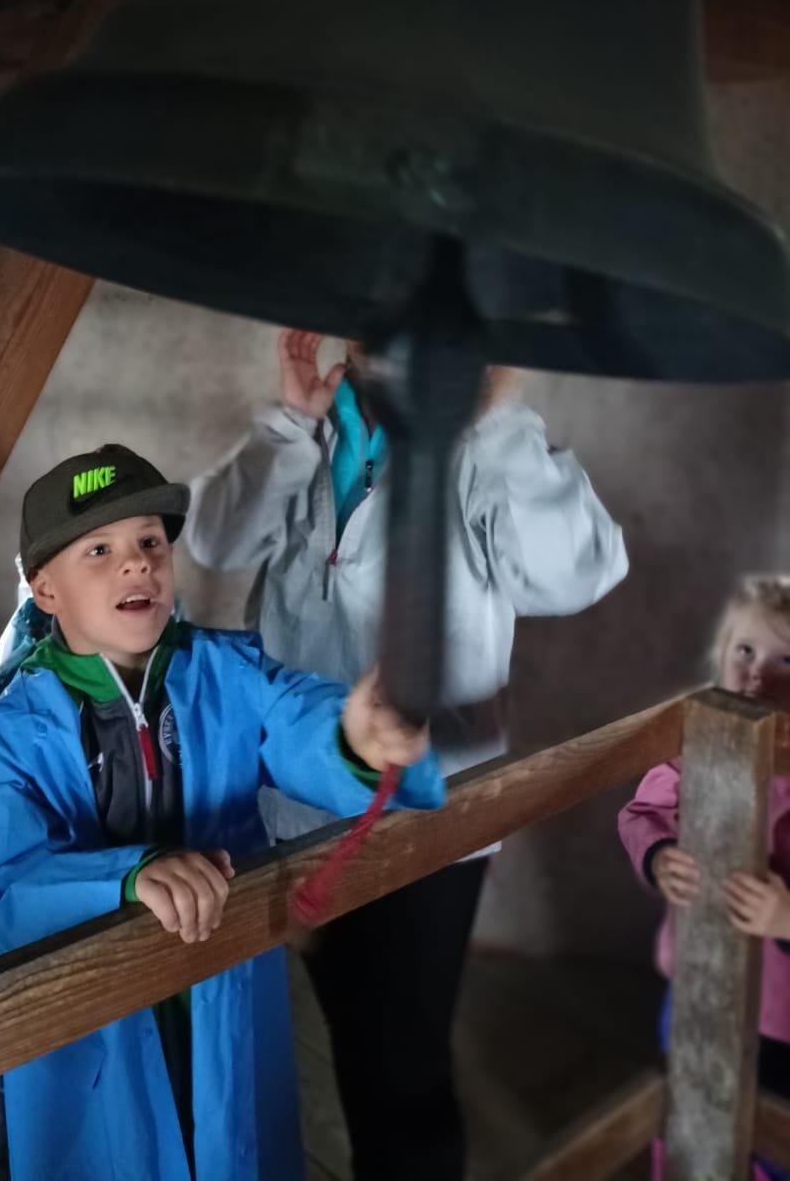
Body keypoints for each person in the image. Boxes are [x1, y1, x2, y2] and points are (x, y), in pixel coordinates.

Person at [185, 329, 628, 1179]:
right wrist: (289, 424)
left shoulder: (479, 444)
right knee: (332, 1026)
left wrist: (499, 422)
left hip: (433, 810)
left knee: (401, 1062)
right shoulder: (312, 435)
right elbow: (215, 538)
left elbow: (576, 571)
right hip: (299, 798)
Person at [0, 443, 445, 1181]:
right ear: (44, 591)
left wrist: (356, 739)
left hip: (220, 993)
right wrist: (128, 878)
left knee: (230, 1136)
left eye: (151, 542)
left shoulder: (224, 672)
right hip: (96, 1026)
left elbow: (292, 719)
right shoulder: (18, 727)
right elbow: (2, 889)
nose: (137, 564)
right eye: (99, 550)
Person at [620, 575, 790, 1181]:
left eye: (785, 659)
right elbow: (644, 812)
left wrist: (786, 916)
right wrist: (660, 854)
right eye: (744, 649)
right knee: (691, 1107)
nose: (756, 672)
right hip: (699, 975)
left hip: (783, 1015)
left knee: (769, 1134)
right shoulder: (698, 737)